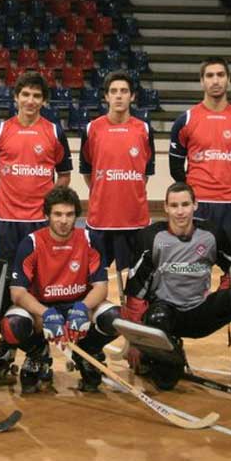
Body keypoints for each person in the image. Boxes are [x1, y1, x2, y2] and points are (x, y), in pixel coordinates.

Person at [120, 182, 231, 398]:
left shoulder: (212, 234)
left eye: (185, 204)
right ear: (165, 208)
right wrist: (137, 341)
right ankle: (170, 355)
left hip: (200, 313)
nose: (180, 211)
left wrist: (222, 295)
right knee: (165, 380)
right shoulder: (150, 237)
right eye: (174, 206)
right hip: (166, 317)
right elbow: (136, 293)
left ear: (195, 205)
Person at [0, 71, 72, 379]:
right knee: (6, 286)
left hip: (38, 224)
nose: (30, 101)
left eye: (37, 96)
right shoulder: (0, 130)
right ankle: (7, 343)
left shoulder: (54, 132)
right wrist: (4, 194)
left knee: (38, 287)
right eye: (26, 94)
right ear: (16, 97)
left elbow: (64, 175)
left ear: (44, 101)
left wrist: (48, 207)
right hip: (7, 223)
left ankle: (38, 349)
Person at [0, 185, 120, 393]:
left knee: (115, 319)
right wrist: (46, 313)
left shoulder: (90, 240)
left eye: (69, 214)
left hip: (78, 307)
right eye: (57, 214)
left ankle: (86, 352)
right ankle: (37, 353)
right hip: (42, 309)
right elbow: (17, 292)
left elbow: (101, 287)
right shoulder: (31, 243)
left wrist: (82, 308)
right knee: (12, 325)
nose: (64, 221)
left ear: (76, 216)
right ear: (47, 215)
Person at [168, 56, 231, 260]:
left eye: (220, 75)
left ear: (229, 79)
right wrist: (194, 192)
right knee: (193, 266)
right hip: (199, 205)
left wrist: (229, 185)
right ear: (202, 81)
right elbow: (176, 168)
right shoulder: (186, 120)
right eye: (209, 75)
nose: (215, 81)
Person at [79, 70, 155, 298]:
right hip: (100, 221)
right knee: (92, 281)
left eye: (124, 91)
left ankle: (135, 317)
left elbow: (144, 174)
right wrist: (104, 191)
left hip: (135, 221)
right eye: (113, 91)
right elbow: (88, 172)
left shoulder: (144, 129)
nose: (119, 96)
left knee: (139, 285)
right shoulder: (92, 129)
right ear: (106, 96)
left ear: (133, 96)